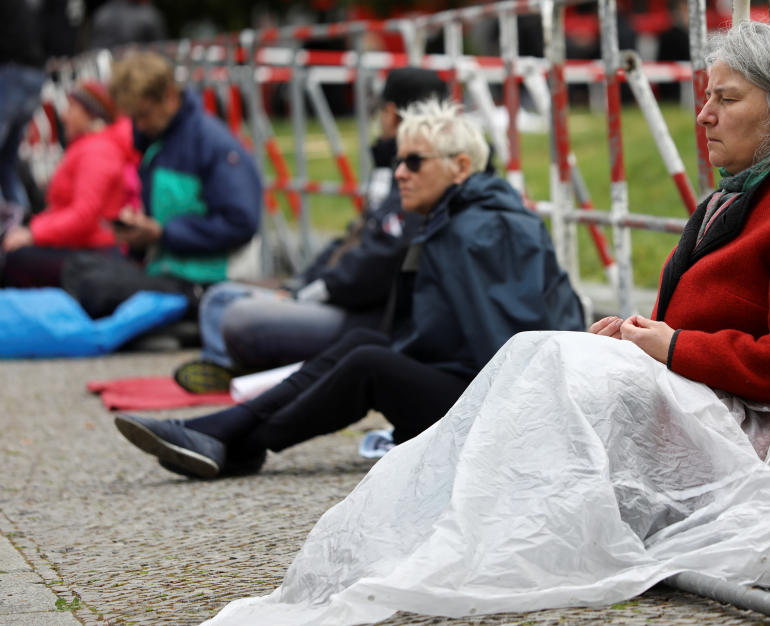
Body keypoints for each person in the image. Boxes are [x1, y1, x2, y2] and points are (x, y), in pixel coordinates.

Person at [203, 23, 770, 625]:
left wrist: (669, 346)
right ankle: (455, 532)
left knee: (549, 365)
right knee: (545, 362)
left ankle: (456, 532)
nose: (703, 116)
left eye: (725, 99)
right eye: (705, 97)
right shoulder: (733, 201)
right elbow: (705, 336)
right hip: (728, 417)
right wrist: (643, 336)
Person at [114, 99, 584, 478]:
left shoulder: (481, 229)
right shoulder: (459, 218)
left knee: (370, 361)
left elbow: (510, 340)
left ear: (461, 166)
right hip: (486, 385)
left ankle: (236, 441)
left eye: (414, 161)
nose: (400, 171)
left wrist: (514, 438)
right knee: (364, 344)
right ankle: (226, 434)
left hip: (509, 407)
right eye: (399, 160)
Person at [173, 67, 449, 393]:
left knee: (235, 315)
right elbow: (357, 240)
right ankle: (246, 366)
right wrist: (301, 284)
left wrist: (311, 292)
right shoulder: (393, 170)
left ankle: (245, 371)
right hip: (343, 300)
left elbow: (377, 264)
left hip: (365, 317)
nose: (404, 172)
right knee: (220, 299)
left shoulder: (424, 179)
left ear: (391, 113)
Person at [62, 51, 262, 319]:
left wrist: (163, 233)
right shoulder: (159, 142)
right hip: (166, 269)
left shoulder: (213, 144)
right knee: (76, 268)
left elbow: (241, 222)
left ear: (169, 96)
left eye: (144, 115)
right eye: (134, 118)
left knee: (93, 286)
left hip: (206, 282)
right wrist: (138, 233)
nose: (140, 125)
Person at [2, 81, 139, 287]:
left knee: (12, 259)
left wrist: (33, 233)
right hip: (85, 248)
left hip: (94, 255)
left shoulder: (97, 151)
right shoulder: (88, 146)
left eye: (71, 107)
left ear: (90, 113)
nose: (63, 115)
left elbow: (83, 216)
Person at [0, 1, 47, 212]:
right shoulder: (26, 7)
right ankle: (20, 223)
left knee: (7, 162)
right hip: (35, 75)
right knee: (7, 163)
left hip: (13, 74)